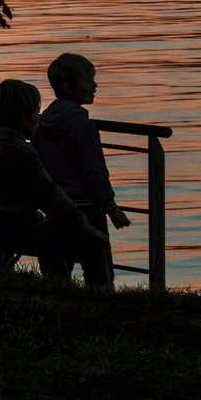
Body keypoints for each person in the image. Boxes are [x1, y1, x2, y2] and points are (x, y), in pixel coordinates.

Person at [0, 78, 112, 287]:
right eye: (36, 112)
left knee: (52, 232)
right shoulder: (22, 153)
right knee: (94, 243)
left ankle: (57, 285)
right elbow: (52, 198)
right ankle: (97, 299)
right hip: (7, 226)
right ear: (25, 118)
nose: (39, 119)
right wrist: (89, 229)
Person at [36, 53, 132, 283]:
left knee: (58, 269)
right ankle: (102, 308)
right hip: (87, 210)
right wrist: (111, 207)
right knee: (99, 267)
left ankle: (59, 303)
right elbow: (94, 171)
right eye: (89, 81)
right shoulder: (83, 126)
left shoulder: (41, 125)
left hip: (56, 206)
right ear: (69, 87)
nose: (95, 85)